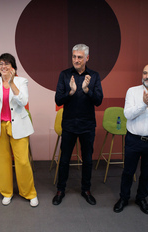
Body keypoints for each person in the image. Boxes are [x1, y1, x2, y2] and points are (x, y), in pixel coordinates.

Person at [113, 64, 148, 214]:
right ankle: (123, 198)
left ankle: (141, 198)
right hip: (133, 140)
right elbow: (128, 114)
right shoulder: (132, 91)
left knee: (147, 173)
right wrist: (143, 104)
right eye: (145, 73)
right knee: (128, 172)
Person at [0, 53, 38, 207]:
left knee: (22, 161)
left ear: (13, 67)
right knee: (2, 162)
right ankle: (6, 192)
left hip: (18, 126)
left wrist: (12, 83)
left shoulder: (21, 81)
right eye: (1, 64)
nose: (4, 66)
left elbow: (23, 101)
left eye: (7, 63)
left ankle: (29, 193)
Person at [53, 44, 103, 206]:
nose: (76, 60)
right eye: (74, 56)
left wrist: (87, 90)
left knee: (87, 160)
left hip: (87, 125)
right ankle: (60, 190)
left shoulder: (94, 76)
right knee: (65, 160)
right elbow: (58, 100)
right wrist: (71, 92)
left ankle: (86, 190)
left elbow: (99, 101)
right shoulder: (65, 75)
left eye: (79, 57)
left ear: (87, 58)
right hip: (68, 124)